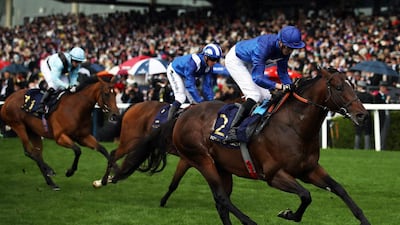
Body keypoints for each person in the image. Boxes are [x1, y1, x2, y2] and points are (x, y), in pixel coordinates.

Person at [224, 25, 305, 142]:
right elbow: (257, 78)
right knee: (254, 95)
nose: (290, 51)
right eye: (289, 48)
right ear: (281, 42)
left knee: (267, 96)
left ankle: (254, 127)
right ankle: (231, 131)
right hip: (236, 60)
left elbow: (282, 72)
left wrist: (291, 88)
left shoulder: (285, 50)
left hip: (249, 62)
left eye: (293, 48)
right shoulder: (264, 46)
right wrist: (280, 86)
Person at [166, 43, 223, 120]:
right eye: (213, 59)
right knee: (181, 97)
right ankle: (168, 122)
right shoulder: (193, 62)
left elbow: (207, 86)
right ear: (205, 57)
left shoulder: (209, 67)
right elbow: (190, 85)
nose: (215, 62)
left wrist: (211, 101)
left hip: (185, 74)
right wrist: (200, 101)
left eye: (217, 59)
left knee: (194, 101)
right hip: (175, 71)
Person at [37, 47, 86, 114]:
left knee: (66, 88)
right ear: (71, 58)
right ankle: (41, 105)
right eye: (76, 61)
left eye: (80, 62)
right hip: (47, 67)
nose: (77, 64)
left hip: (61, 71)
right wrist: (66, 86)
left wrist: (73, 85)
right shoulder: (60, 62)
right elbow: (55, 79)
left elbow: (73, 76)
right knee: (53, 85)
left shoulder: (77, 65)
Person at [353, 81, 373, 149]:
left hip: (358, 117)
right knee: (367, 133)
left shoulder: (356, 96)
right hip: (367, 116)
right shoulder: (369, 95)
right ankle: (367, 148)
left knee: (358, 133)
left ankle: (356, 148)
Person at [373, 81, 391, 150]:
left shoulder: (386, 95)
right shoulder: (377, 96)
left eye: (385, 87)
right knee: (381, 132)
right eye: (383, 87)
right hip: (381, 117)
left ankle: (383, 146)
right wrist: (386, 101)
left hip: (387, 116)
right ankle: (379, 147)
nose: (384, 89)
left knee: (385, 132)